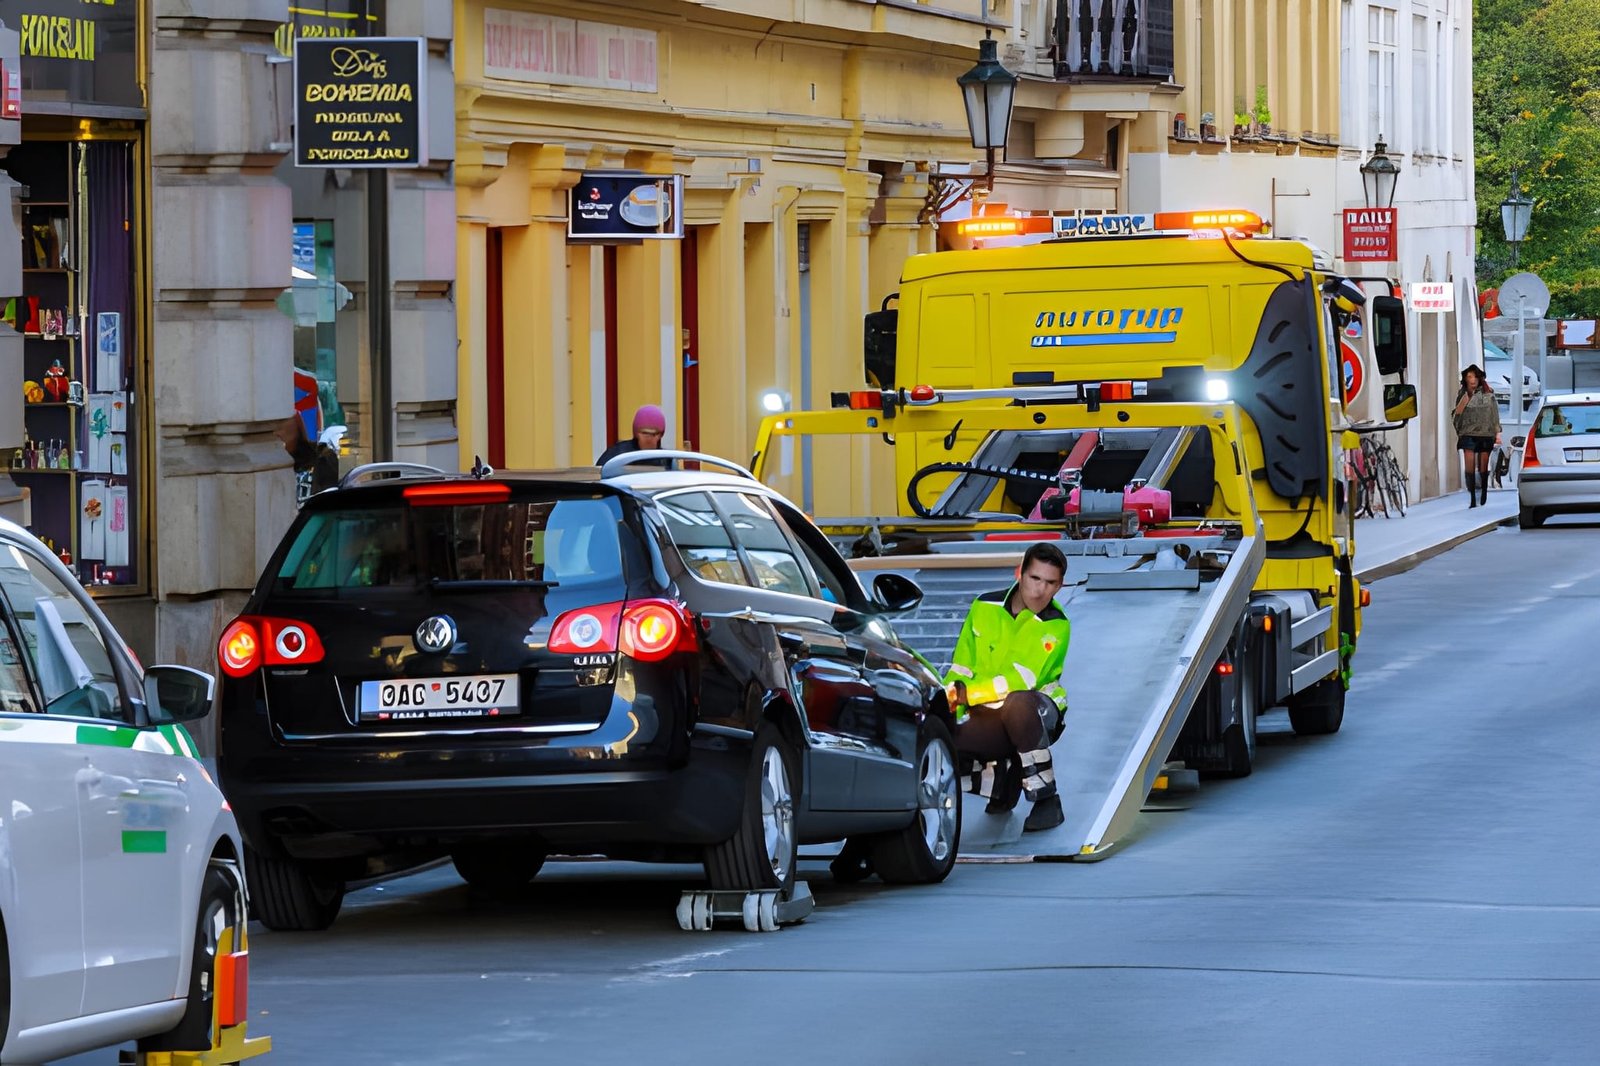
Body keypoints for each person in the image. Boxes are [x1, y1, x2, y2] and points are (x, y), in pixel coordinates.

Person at [945, 541, 1071, 832]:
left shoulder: (1055, 623)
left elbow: (1022, 679)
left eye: (1050, 583)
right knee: (943, 730)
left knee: (1019, 704)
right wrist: (951, 699)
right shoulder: (983, 606)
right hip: (987, 714)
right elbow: (961, 666)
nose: (1040, 590)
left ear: (1060, 587)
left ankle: (1046, 800)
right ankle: (1002, 781)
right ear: (1020, 574)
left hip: (1038, 712)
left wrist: (970, 694)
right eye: (1035, 578)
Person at [1452, 364, 1502, 508]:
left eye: (1474, 376)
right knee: (1469, 466)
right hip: (1468, 434)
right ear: (1465, 379)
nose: (1472, 380)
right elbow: (1456, 415)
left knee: (1482, 466)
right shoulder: (1462, 394)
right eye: (1469, 377)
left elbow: (1494, 414)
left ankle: (1484, 490)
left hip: (1486, 434)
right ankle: (1472, 496)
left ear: (1479, 378)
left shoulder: (1488, 393)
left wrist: (1497, 432)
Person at [597, 405, 669, 467]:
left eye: (653, 434)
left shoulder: (666, 459)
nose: (648, 438)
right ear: (636, 433)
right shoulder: (616, 456)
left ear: (661, 435)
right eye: (644, 433)